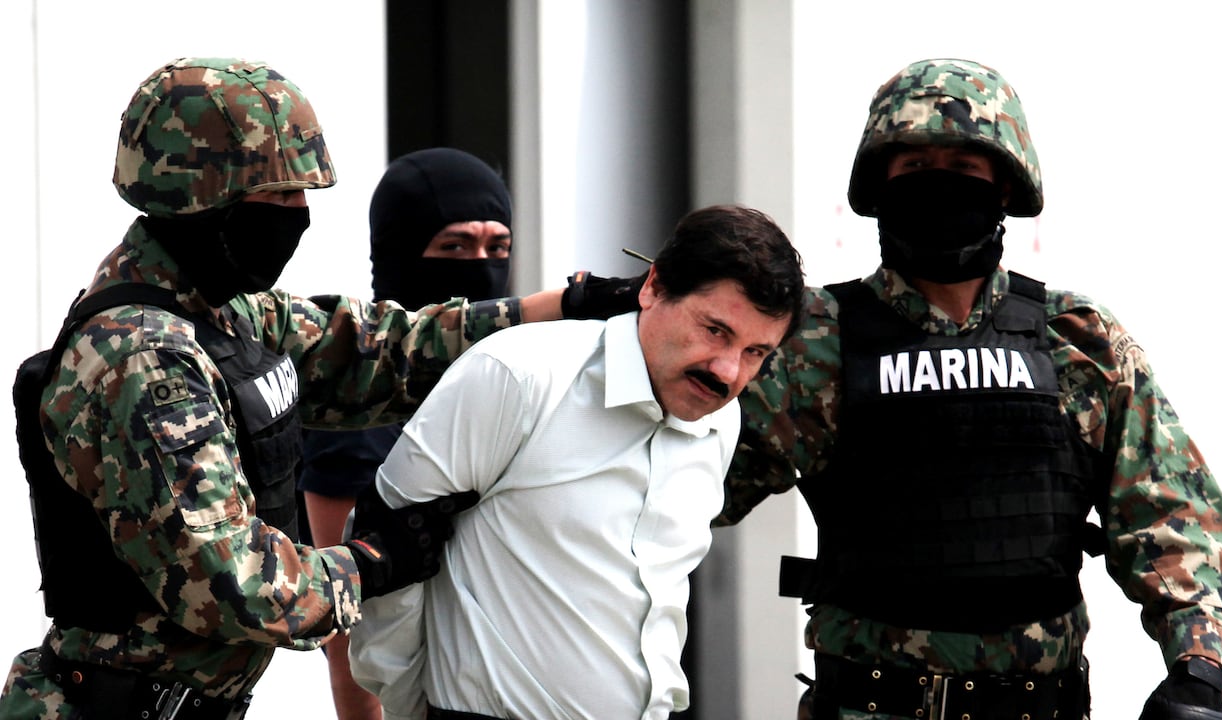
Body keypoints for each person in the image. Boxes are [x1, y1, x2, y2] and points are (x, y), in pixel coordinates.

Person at [0, 57, 570, 719]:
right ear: (204, 197)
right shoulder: (146, 358)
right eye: (279, 197)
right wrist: (372, 563)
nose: (299, 216)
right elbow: (232, 582)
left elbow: (373, 353)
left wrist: (561, 308)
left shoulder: (218, 310)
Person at [716, 58, 1222, 720]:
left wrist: (1198, 671)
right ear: (880, 186)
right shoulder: (811, 341)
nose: (937, 184)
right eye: (915, 166)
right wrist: (664, 341)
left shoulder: (1078, 341)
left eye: (962, 168)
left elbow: (1172, 516)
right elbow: (687, 487)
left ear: (1005, 188)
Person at [347, 204, 807, 720]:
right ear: (653, 287)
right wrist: (415, 710)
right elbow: (387, 546)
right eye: (715, 330)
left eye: (755, 352)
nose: (727, 371)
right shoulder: (517, 375)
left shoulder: (720, 419)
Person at [298, 146, 515, 720]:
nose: (480, 266)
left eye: (497, 247)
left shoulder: (508, 377)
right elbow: (347, 624)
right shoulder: (357, 410)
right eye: (455, 247)